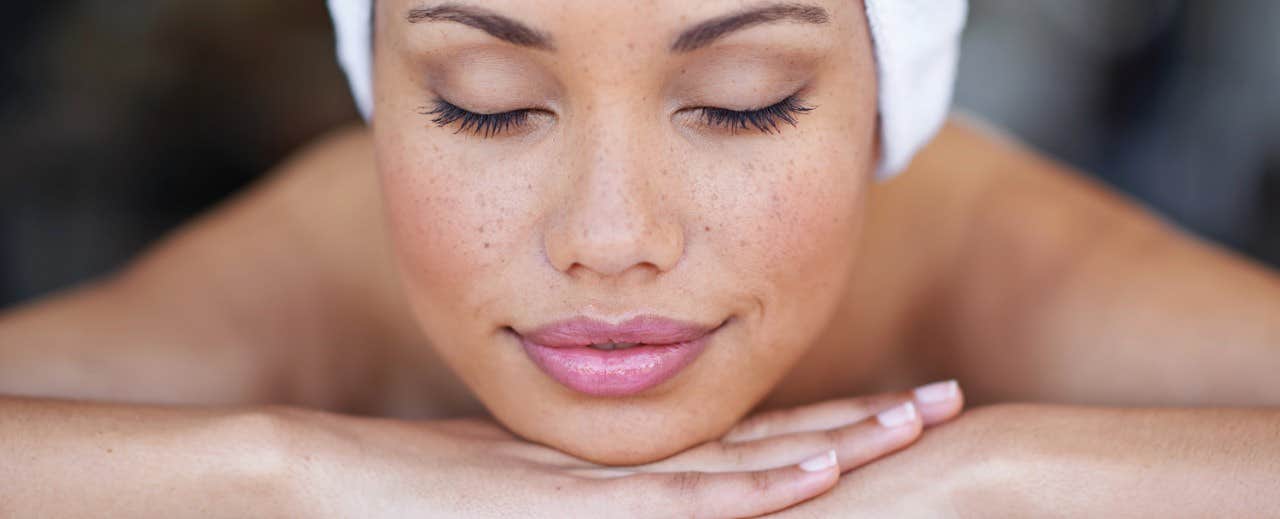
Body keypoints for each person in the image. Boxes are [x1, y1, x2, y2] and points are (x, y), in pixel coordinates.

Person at [2, 0, 1278, 516]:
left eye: (741, 100)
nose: (610, 241)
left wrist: (991, 472)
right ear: (375, 95)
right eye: (486, 103)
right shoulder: (317, 274)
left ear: (888, 106)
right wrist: (291, 465)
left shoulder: (1006, 265)